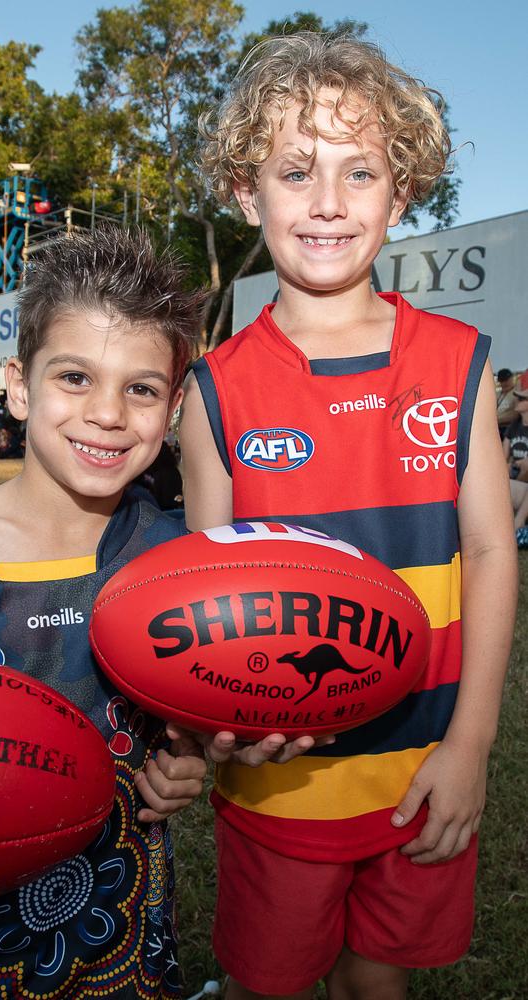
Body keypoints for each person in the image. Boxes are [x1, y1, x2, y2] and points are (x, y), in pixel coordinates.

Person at [179, 32, 518, 1000]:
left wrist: (467, 747)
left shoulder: (454, 363)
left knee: (378, 983)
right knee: (269, 983)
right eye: (295, 171)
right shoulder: (215, 390)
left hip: (423, 771)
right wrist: (222, 727)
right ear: (248, 196)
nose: (326, 201)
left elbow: (491, 548)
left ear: (397, 192)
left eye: (356, 170)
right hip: (279, 786)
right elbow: (210, 598)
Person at [0, 226, 210, 999]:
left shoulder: (174, 559)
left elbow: (191, 722)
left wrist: (189, 764)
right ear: (19, 386)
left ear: (173, 407)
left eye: (141, 388)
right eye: (74, 377)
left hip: (117, 933)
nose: (107, 413)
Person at [503, 387, 528, 482]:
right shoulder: (513, 426)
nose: (516, 401)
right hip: (514, 473)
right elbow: (504, 456)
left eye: (521, 399)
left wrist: (515, 464)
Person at [495, 368, 517, 437]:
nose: (504, 383)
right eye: (501, 381)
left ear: (512, 378)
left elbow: (515, 414)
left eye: (506, 380)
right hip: (496, 429)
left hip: (510, 429)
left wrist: (495, 420)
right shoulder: (497, 394)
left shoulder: (517, 393)